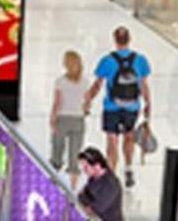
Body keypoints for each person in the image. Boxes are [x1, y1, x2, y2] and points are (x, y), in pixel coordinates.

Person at [85, 26, 151, 187]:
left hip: (111, 107)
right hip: (132, 107)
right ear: (129, 39)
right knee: (128, 137)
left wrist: (88, 100)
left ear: (115, 40)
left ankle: (112, 176)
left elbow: (97, 85)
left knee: (112, 141)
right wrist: (148, 104)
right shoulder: (140, 60)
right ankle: (128, 169)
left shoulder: (107, 61)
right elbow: (144, 85)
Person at [51, 50, 90, 175]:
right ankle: (73, 186)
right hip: (78, 119)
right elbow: (87, 101)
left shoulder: (60, 82)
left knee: (57, 148)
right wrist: (85, 111)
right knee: (75, 154)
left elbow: (57, 103)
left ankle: (55, 171)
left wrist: (52, 118)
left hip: (62, 118)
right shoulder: (85, 82)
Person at [76, 148, 124, 221]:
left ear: (97, 166)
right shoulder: (93, 178)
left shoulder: (110, 184)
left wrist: (87, 203)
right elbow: (81, 197)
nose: (84, 169)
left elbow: (95, 210)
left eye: (86, 166)